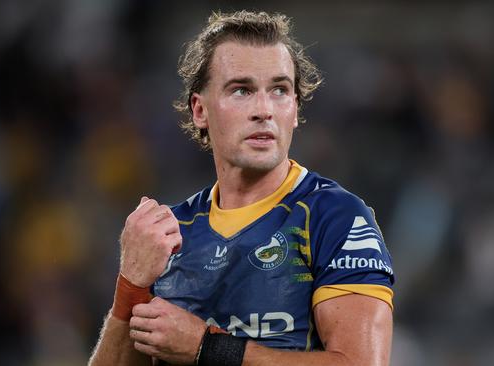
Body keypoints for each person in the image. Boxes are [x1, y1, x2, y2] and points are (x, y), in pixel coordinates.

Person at [89, 10, 395, 366]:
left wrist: (208, 348)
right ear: (199, 110)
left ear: (295, 109)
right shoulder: (169, 233)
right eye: (241, 90)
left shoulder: (334, 217)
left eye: (280, 90)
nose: (264, 110)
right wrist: (131, 284)